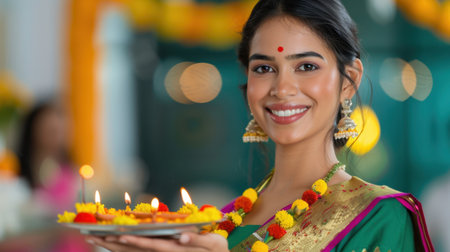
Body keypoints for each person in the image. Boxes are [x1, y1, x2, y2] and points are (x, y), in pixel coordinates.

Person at [86, 0, 434, 251]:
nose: (281, 89)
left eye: (306, 66)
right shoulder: (219, 222)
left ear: (349, 80)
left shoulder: (379, 218)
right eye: (264, 68)